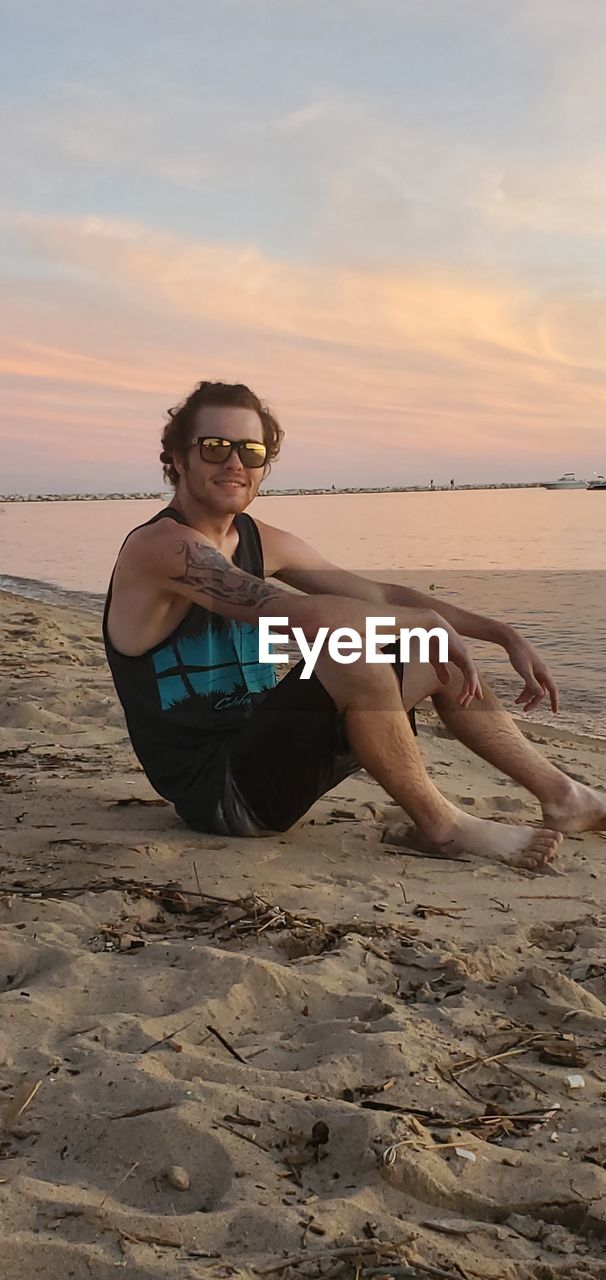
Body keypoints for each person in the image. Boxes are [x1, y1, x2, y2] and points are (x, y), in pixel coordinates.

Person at [103, 380, 606, 871]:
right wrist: (423, 622)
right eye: (214, 446)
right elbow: (312, 615)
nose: (235, 462)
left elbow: (377, 595)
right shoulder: (162, 548)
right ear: (177, 457)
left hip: (277, 752)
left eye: (251, 450)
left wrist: (500, 632)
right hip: (220, 796)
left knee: (427, 658)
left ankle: (563, 796)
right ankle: (443, 826)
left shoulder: (260, 539)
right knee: (349, 650)